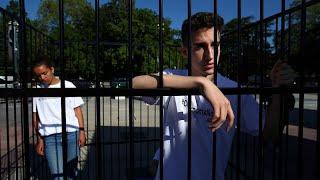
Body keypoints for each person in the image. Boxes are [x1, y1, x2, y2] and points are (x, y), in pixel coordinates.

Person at [132, 12, 297, 180]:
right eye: (200, 46)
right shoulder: (174, 78)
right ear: (184, 52)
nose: (210, 55)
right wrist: (201, 83)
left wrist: (278, 89)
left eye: (215, 45)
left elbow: (270, 132)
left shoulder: (234, 90)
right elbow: (135, 83)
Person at [32, 55, 86, 179]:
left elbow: (77, 111)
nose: (42, 77)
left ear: (52, 69)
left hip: (71, 134)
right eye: (39, 75)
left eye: (44, 73)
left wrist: (82, 131)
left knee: (71, 174)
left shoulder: (68, 85)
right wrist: (40, 139)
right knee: (58, 176)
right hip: (50, 137)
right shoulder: (37, 90)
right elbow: (36, 117)